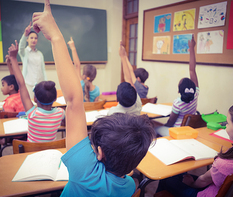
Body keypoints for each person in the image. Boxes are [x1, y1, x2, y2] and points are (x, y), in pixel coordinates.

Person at [31, 1, 155, 196]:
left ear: (100, 153)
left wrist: (55, 36)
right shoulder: (130, 185)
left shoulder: (85, 174)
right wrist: (55, 36)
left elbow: (73, 101)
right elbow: (75, 101)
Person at [156, 100, 233, 197]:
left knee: (168, 179)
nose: (225, 127)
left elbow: (202, 181)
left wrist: (191, 184)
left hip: (206, 193)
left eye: (227, 123)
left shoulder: (223, 165)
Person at [8, 40, 65, 143]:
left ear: (34, 99)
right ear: (55, 98)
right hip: (50, 154)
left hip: (32, 154)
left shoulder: (32, 113)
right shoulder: (61, 113)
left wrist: (12, 58)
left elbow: (21, 83)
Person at [156, 34, 199, 137]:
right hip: (188, 130)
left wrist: (165, 126)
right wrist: (192, 48)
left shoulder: (177, 103)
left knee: (154, 128)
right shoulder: (196, 94)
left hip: (176, 133)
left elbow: (170, 122)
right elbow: (192, 70)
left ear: (179, 92)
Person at [0, 56, 25, 163]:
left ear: (11, 87)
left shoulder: (8, 103)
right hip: (25, 131)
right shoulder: (22, 95)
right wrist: (9, 64)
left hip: (12, 134)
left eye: (3, 85)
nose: (1, 88)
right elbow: (15, 78)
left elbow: (7, 124)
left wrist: (4, 139)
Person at [107, 41, 142, 116]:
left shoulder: (112, 112)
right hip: (133, 128)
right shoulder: (138, 106)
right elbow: (129, 81)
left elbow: (129, 81)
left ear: (116, 100)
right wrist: (123, 57)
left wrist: (123, 56)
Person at [18, 22, 47, 99]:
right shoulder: (24, 52)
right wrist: (25, 34)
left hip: (40, 84)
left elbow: (43, 70)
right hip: (28, 84)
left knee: (41, 104)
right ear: (27, 39)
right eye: (31, 38)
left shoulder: (40, 54)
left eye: (35, 38)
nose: (33, 40)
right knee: (30, 105)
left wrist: (46, 83)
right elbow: (20, 47)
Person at [67, 37, 100, 102]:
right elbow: (95, 106)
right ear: (94, 76)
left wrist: (73, 48)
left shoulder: (80, 85)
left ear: (84, 76)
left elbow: (77, 65)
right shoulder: (97, 90)